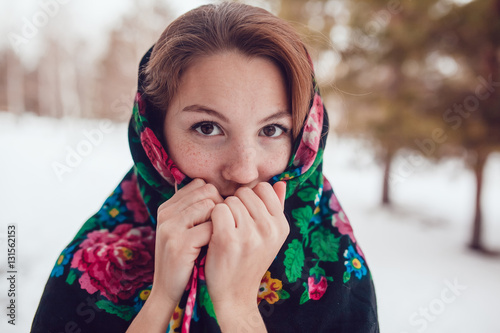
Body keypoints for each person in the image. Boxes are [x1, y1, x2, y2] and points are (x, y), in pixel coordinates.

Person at [31, 2, 379, 332]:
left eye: (271, 130)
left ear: (303, 139)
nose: (243, 172)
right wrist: (161, 300)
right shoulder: (93, 267)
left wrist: (238, 309)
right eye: (207, 128)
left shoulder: (335, 271)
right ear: (154, 136)